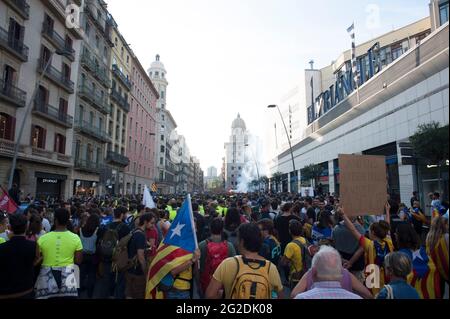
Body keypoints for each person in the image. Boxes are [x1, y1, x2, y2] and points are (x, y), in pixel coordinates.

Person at [205, 223, 283, 299]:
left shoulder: (228, 264)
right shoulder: (271, 268)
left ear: (242, 241)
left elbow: (210, 295)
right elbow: (280, 296)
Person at [340, 207, 394, 296]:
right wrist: (387, 211)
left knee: (373, 295)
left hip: (372, 278)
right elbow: (387, 226)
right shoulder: (389, 241)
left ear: (373, 232)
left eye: (369, 230)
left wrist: (343, 214)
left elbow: (353, 229)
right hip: (387, 275)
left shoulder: (369, 245)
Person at [34, 208, 83, 299]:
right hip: (69, 274)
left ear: (55, 220)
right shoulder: (75, 238)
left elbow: (37, 259)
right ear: (68, 220)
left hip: (46, 275)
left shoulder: (43, 238)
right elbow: (78, 261)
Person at [293, 246, 362, 299]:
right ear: (340, 270)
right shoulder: (356, 298)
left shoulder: (302, 298)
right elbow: (367, 294)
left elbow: (294, 294)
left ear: (313, 271)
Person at [395, 223, 440, 299]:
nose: (395, 234)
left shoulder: (399, 258)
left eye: (396, 233)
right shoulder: (425, 253)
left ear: (401, 236)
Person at [0, 214, 37, 299]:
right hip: (26, 292)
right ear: (27, 227)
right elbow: (35, 262)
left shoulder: (2, 247)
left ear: (9, 227)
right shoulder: (33, 246)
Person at [97, 206, 130, 299]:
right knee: (118, 282)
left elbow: (99, 240)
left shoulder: (106, 226)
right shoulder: (125, 228)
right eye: (126, 214)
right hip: (118, 259)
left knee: (105, 280)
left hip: (106, 257)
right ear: (122, 215)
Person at [199, 217, 236, 296]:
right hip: (223, 283)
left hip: (206, 282)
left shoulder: (202, 245)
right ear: (222, 229)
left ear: (210, 228)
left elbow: (198, 266)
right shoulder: (229, 246)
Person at [126, 213, 156, 299]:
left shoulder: (134, 231)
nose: (153, 225)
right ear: (145, 222)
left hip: (129, 268)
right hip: (137, 271)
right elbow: (141, 256)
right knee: (138, 294)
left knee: (129, 294)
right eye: (151, 223)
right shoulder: (141, 235)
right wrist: (145, 271)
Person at [332, 213, 365, 282]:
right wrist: (350, 262)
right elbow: (362, 248)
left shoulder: (336, 228)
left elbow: (333, 246)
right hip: (356, 266)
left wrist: (341, 259)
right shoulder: (360, 229)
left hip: (340, 264)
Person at [279, 220, 310, 288]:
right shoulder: (305, 240)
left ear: (290, 231)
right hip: (306, 272)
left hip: (296, 276)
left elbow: (283, 263)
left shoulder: (291, 245)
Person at [79, 214, 100, 299]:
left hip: (82, 256)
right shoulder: (97, 230)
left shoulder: (81, 230)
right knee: (92, 276)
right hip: (93, 257)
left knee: (81, 275)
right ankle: (90, 294)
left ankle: (78, 293)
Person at [426, 216, 449, 292]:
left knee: (439, 291)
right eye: (446, 224)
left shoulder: (429, 237)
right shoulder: (446, 237)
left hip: (435, 269)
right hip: (446, 267)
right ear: (443, 225)